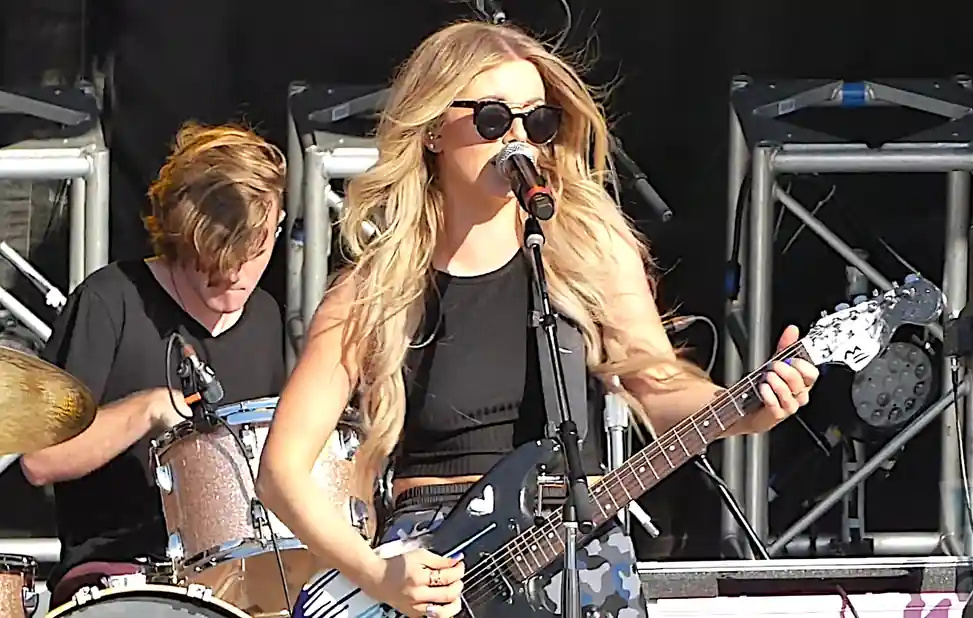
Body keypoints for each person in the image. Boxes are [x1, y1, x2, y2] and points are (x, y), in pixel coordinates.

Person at [256, 20, 819, 618]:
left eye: (538, 119)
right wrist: (375, 571)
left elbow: (659, 388)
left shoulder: (588, 252)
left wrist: (747, 407)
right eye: (495, 118)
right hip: (439, 574)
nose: (519, 138)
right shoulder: (374, 292)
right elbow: (281, 472)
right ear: (432, 132)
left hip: (582, 555)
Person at [21, 123, 288, 609]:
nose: (236, 275)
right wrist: (147, 410)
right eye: (217, 258)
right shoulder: (110, 301)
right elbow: (40, 461)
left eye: (257, 252)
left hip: (239, 581)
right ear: (181, 234)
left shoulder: (266, 317)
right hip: (118, 575)